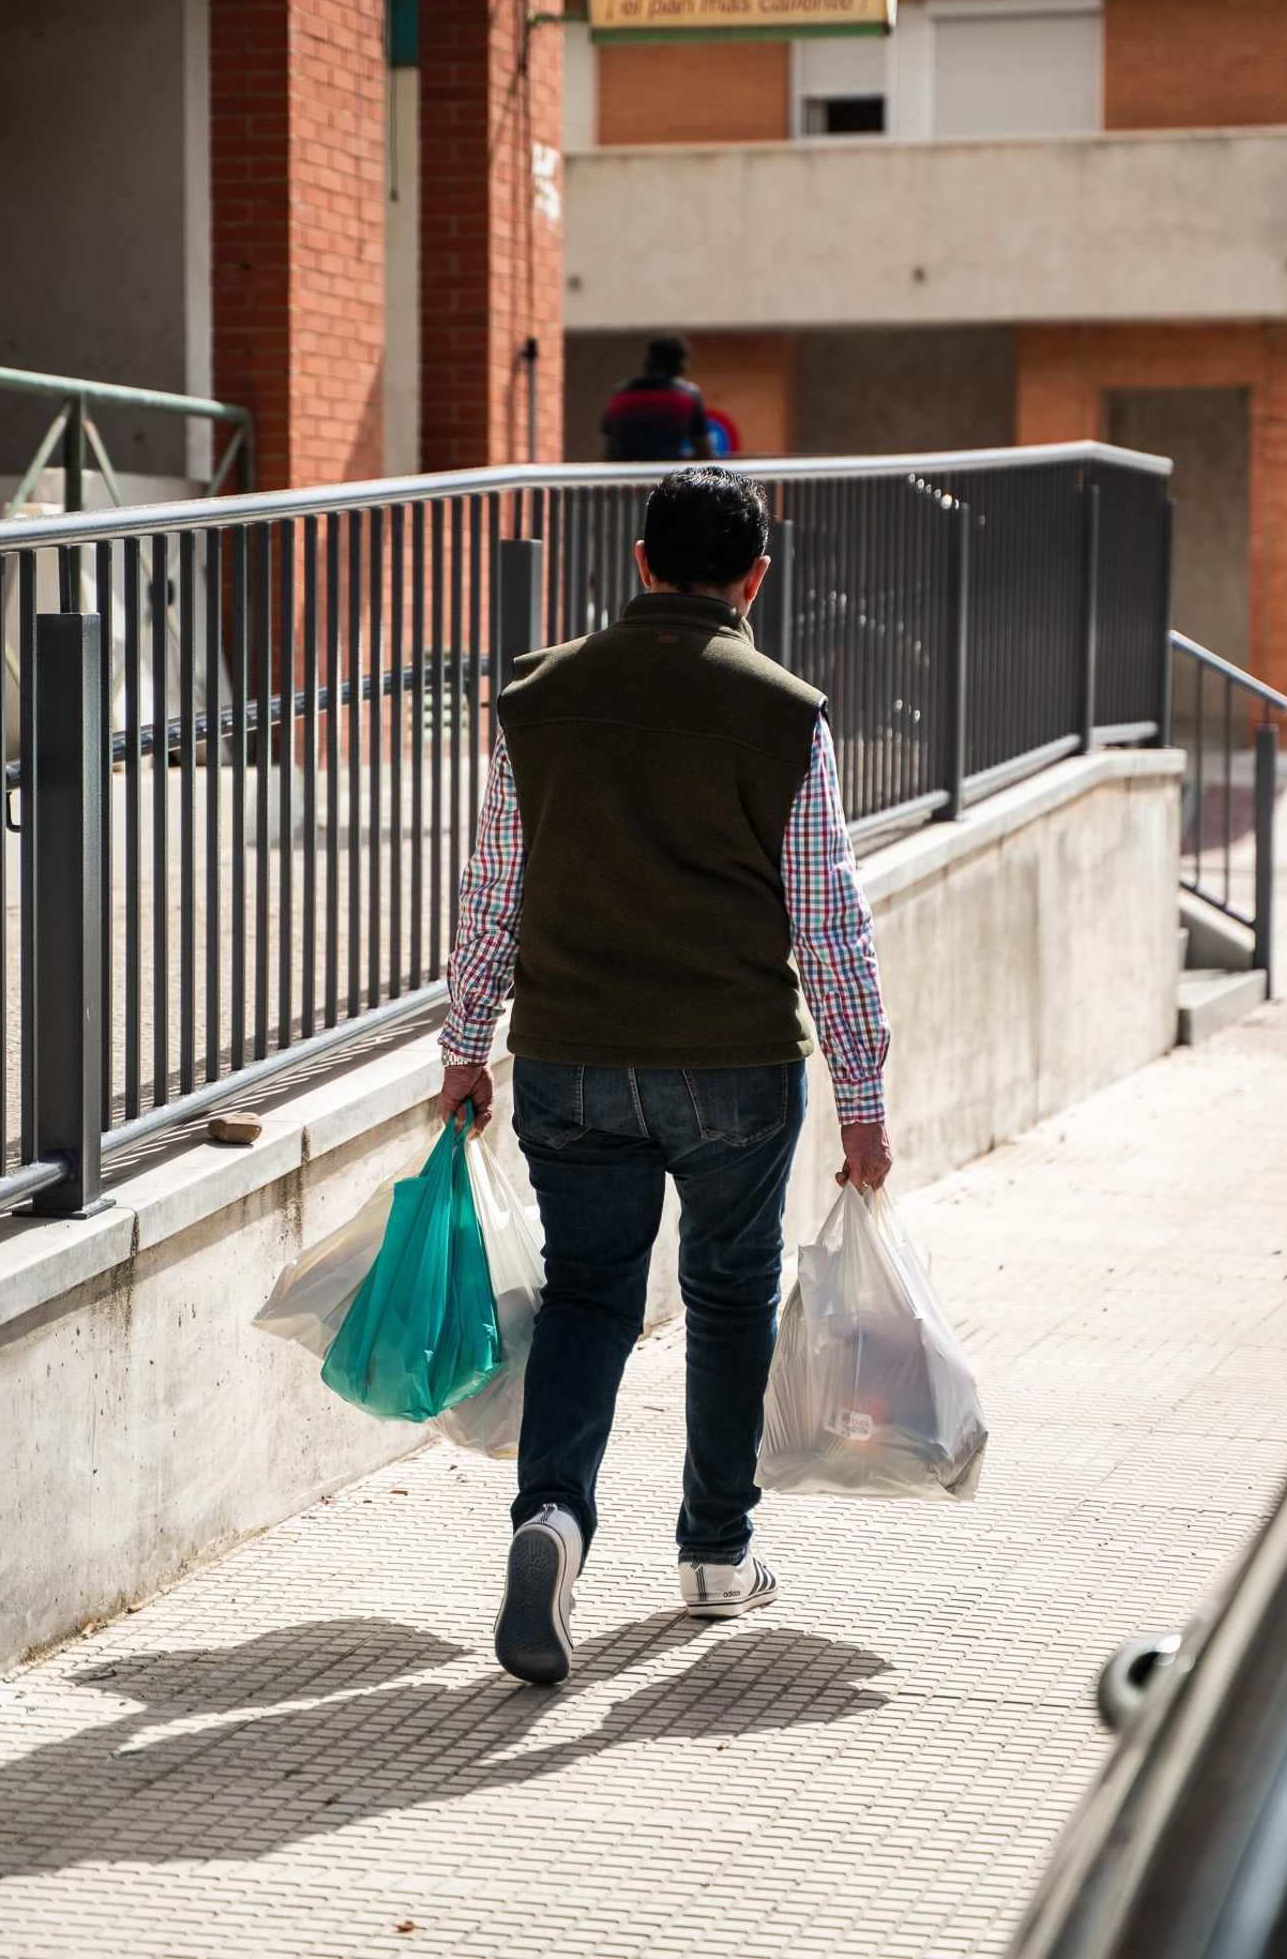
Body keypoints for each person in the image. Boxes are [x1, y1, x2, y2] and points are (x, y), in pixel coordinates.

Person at [438, 465, 891, 1687]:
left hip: (572, 1055)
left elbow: (495, 895)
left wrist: (463, 1044)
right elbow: (828, 920)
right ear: (754, 578)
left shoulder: (538, 700)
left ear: (640, 565)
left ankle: (552, 1523)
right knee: (729, 1298)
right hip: (734, 1065)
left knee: (589, 1298)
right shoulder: (786, 713)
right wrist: (863, 1099)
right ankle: (712, 1554)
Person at [601, 333, 712, 463]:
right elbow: (703, 451)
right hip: (667, 477)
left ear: (648, 362)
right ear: (681, 364)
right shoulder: (688, 395)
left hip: (626, 479)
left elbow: (606, 446)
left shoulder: (620, 394)